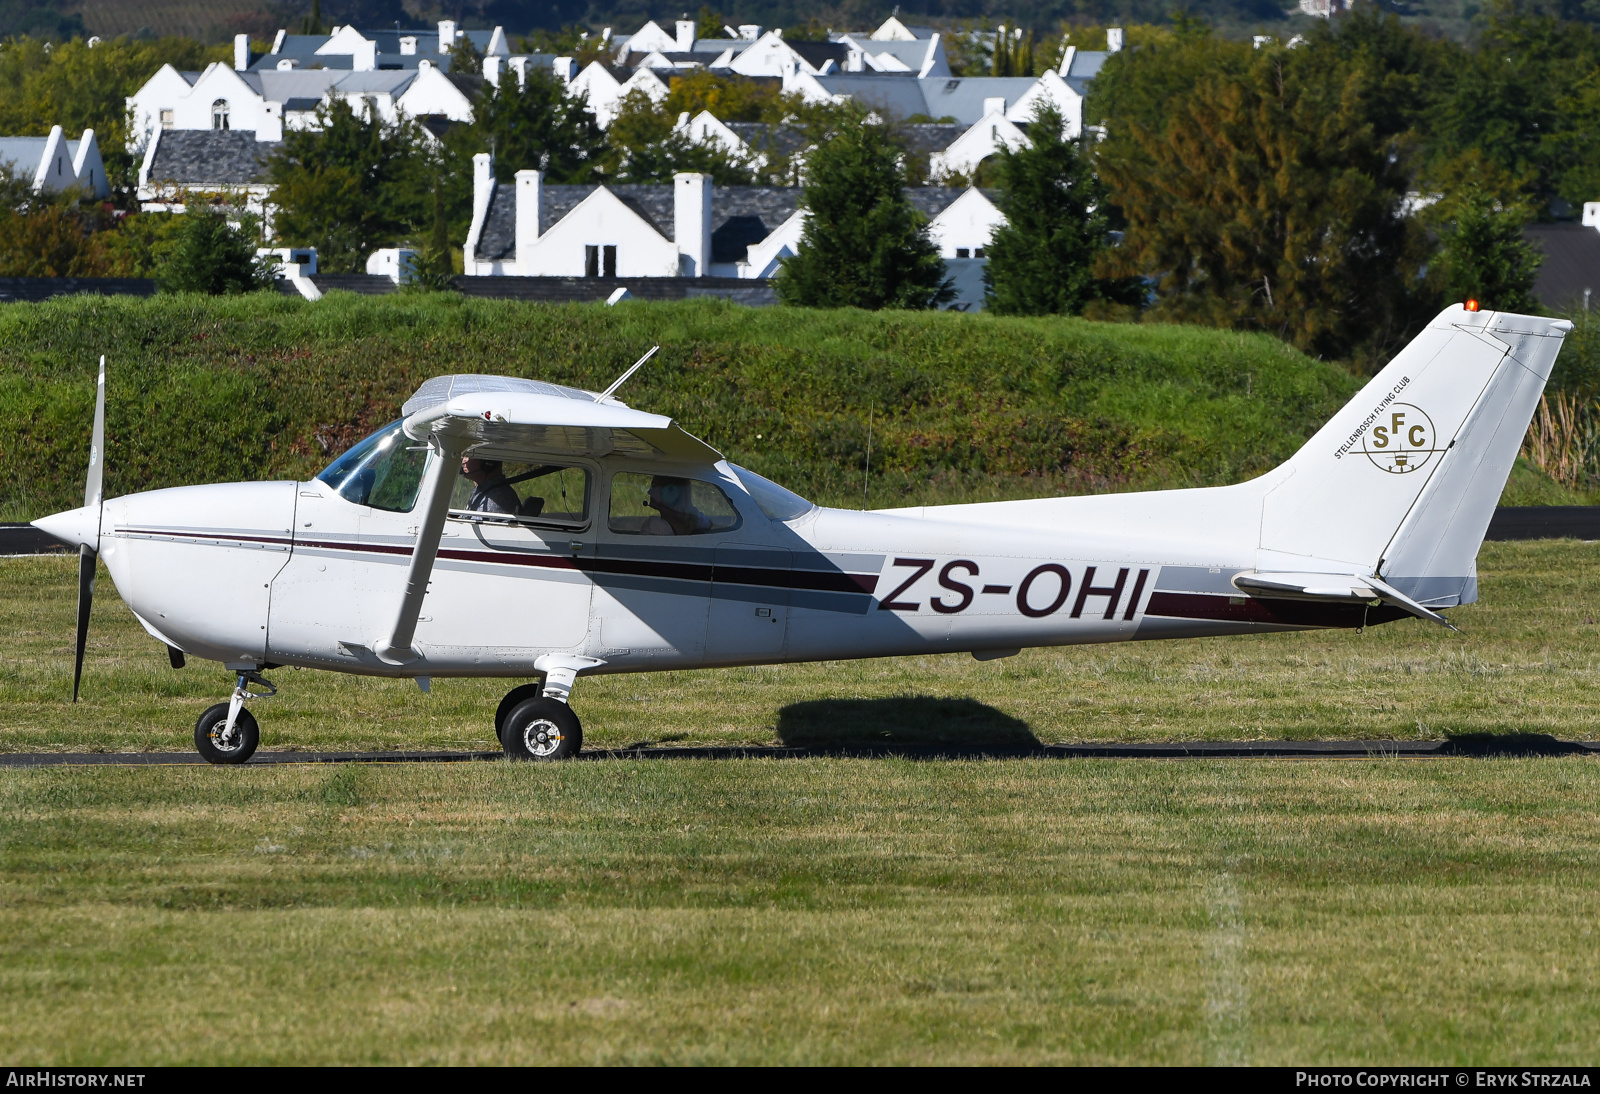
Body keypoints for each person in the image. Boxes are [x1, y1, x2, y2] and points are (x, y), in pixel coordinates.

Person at [643, 476, 710, 535]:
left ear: (672, 492)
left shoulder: (654, 526)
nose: (649, 492)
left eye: (654, 486)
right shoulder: (699, 519)